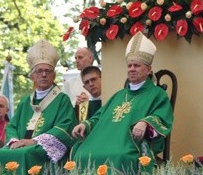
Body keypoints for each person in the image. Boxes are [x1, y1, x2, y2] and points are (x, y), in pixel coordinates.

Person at [69, 33, 174, 173]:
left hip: (129, 145)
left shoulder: (157, 94)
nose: (131, 68)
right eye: (129, 65)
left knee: (119, 156)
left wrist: (145, 123)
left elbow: (163, 118)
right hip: (104, 142)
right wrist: (84, 124)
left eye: (136, 65)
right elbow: (99, 117)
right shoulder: (119, 95)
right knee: (81, 154)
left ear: (148, 69)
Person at [0, 39, 77, 172]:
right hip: (21, 144)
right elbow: (12, 126)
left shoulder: (62, 100)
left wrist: (33, 141)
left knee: (25, 154)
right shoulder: (25, 101)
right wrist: (15, 140)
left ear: (54, 76)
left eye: (48, 71)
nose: (44, 74)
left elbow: (65, 127)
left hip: (42, 148)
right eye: (39, 71)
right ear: (32, 76)